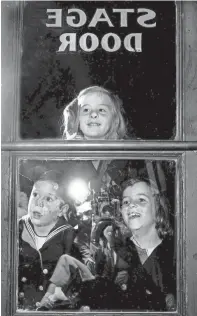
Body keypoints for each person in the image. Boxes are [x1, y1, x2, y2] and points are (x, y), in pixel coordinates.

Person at [37, 176, 176, 311]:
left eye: (141, 200)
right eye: (126, 202)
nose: (132, 206)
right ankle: (48, 300)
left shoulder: (167, 250)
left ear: (157, 206)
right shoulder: (119, 244)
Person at [18, 170, 75, 310]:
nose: (38, 202)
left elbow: (68, 273)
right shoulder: (17, 229)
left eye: (48, 199)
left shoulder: (67, 234)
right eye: (35, 194)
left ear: (62, 210)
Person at [62, 85, 127, 140]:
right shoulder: (68, 152)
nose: (93, 114)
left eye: (101, 110)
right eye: (86, 110)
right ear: (77, 120)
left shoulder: (125, 152)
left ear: (114, 120)